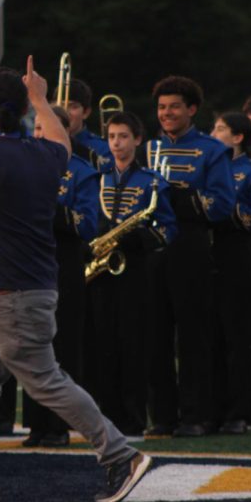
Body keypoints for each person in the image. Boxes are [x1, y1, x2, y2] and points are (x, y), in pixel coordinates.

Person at [0, 57, 151, 502]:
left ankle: (120, 454)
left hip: (11, 293)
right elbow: (59, 134)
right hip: (17, 290)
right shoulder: (48, 153)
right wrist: (39, 94)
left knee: (45, 381)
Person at [145, 76, 235, 439]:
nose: (166, 113)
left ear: (192, 109)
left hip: (191, 247)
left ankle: (196, 416)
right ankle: (163, 416)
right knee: (155, 334)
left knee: (194, 336)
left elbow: (223, 204)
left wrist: (178, 198)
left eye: (174, 107)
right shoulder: (148, 148)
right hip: (153, 248)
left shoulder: (212, 151)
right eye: (162, 107)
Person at [86, 111, 175, 438]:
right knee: (103, 345)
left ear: (137, 140)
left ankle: (134, 418)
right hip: (103, 272)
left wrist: (142, 240)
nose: (117, 143)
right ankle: (107, 417)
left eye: (123, 137)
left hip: (136, 271)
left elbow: (168, 228)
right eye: (111, 137)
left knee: (134, 345)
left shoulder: (152, 181)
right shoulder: (99, 179)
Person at [23, 105, 99, 447]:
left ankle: (61, 427)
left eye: (46, 129)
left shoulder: (82, 170)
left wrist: (47, 208)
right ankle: (37, 425)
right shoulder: (22, 165)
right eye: (36, 128)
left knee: (64, 344)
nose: (39, 135)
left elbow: (88, 223)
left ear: (64, 133)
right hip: (28, 263)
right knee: (31, 344)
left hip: (63, 262)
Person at [210, 112, 251, 435]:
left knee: (237, 338)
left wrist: (232, 212)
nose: (213, 133)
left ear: (238, 137)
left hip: (236, 257)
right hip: (205, 258)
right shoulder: (206, 168)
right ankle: (210, 407)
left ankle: (238, 411)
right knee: (208, 339)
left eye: (220, 129)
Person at [65, 79, 112, 169]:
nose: (65, 112)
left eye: (73, 107)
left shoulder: (104, 148)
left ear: (86, 112)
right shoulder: (44, 145)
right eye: (61, 105)